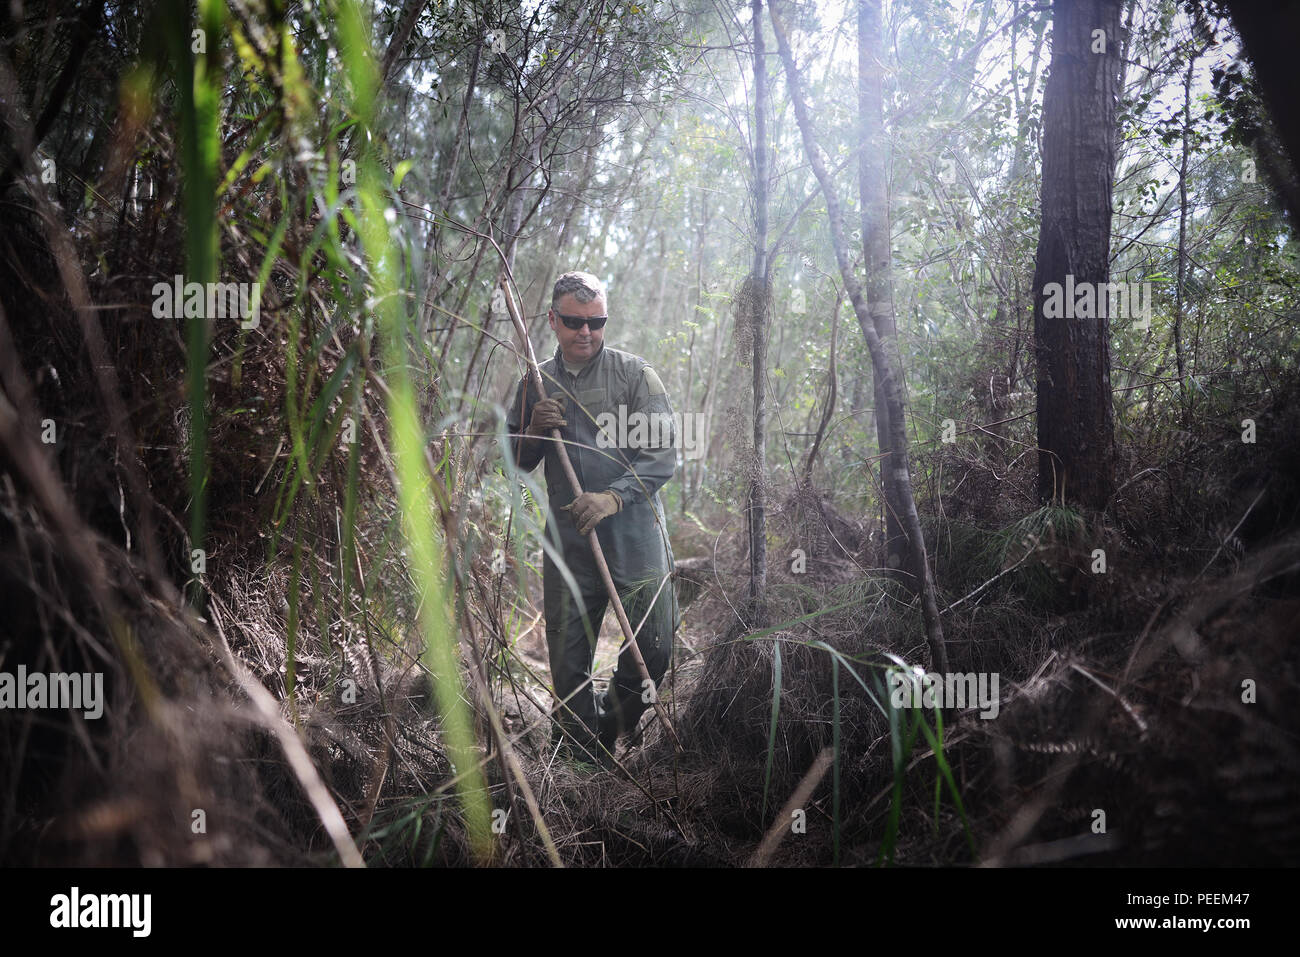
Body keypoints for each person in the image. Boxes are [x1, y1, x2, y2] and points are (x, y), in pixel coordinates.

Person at [506, 271, 678, 768]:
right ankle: (582, 764)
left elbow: (663, 455)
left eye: (596, 322)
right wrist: (533, 429)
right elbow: (518, 460)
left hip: (635, 532)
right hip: (569, 540)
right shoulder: (535, 382)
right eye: (576, 322)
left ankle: (610, 725)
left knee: (656, 646)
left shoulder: (634, 375)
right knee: (567, 657)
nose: (586, 332)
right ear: (554, 321)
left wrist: (613, 498)